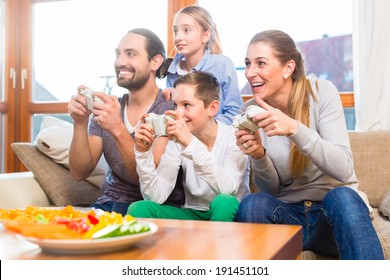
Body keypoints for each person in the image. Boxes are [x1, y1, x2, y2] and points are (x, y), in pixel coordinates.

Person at [234, 30, 384, 259]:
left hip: (330, 218)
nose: (250, 72)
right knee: (252, 204)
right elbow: (271, 191)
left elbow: (343, 169)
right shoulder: (250, 111)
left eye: (260, 63)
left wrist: (295, 129)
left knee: (342, 197)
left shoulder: (321, 93)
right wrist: (259, 155)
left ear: (288, 68)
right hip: (288, 218)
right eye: (247, 64)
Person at [67, 28, 184, 216]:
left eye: (131, 54)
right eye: (118, 54)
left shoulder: (170, 110)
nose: (120, 62)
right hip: (109, 204)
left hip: (153, 209)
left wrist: (117, 128)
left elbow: (145, 179)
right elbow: (79, 173)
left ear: (155, 61)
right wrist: (80, 122)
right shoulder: (109, 108)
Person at [127, 71, 250, 221]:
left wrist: (190, 143)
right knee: (139, 208)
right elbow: (155, 196)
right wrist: (143, 153)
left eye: (186, 105)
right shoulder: (176, 141)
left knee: (224, 201)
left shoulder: (233, 137)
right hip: (193, 214)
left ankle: (214, 244)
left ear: (212, 108)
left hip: (230, 213)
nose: (177, 112)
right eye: (175, 105)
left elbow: (228, 189)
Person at [160, 5, 242, 125]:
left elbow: (234, 113)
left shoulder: (222, 65)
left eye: (187, 30)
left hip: (218, 140)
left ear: (205, 36)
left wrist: (205, 130)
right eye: (176, 31)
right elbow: (175, 116)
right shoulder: (172, 72)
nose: (178, 37)